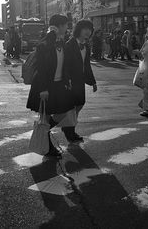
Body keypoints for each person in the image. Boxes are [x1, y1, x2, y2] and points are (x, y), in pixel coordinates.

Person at [26, 14, 75, 157]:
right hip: (45, 86)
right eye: (65, 25)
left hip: (59, 85)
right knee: (45, 117)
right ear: (58, 26)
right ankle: (48, 148)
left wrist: (68, 82)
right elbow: (41, 68)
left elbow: (64, 65)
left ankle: (45, 131)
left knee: (64, 111)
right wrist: (43, 89)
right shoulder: (46, 44)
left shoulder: (61, 42)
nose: (67, 28)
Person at [62, 19, 97, 142]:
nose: (88, 31)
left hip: (80, 80)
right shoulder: (69, 44)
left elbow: (86, 65)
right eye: (85, 29)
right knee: (71, 107)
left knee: (80, 104)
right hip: (71, 81)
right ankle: (69, 131)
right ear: (79, 30)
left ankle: (68, 127)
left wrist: (93, 81)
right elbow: (65, 65)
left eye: (90, 29)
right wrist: (67, 80)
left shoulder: (86, 45)